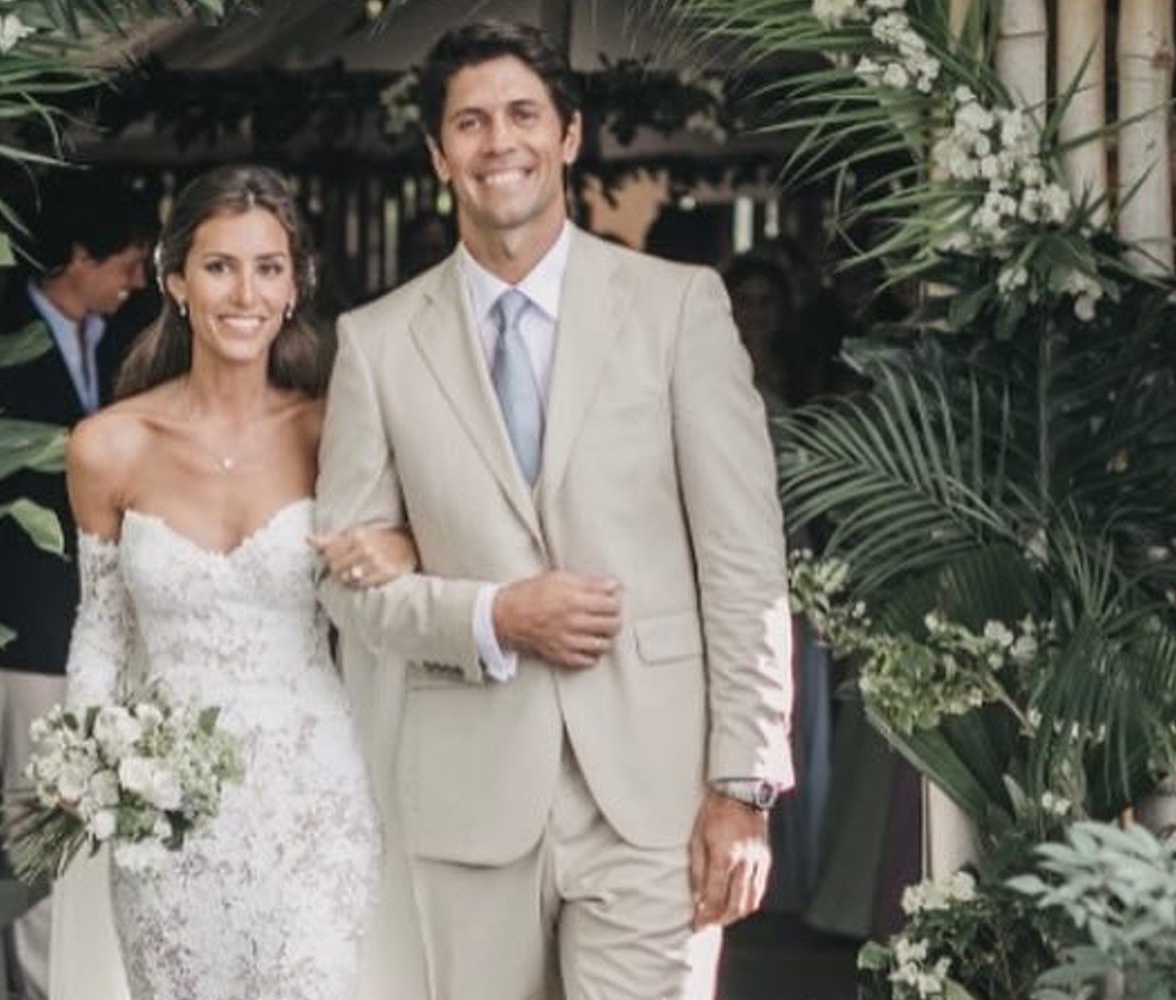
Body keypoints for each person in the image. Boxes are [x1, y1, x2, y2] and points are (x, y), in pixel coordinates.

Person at [312, 20, 797, 999]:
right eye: (472, 121)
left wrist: (741, 787)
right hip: (468, 799)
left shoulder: (678, 306)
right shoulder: (375, 343)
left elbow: (743, 561)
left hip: (655, 795)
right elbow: (347, 584)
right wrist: (493, 614)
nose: (500, 143)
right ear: (437, 153)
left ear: (567, 136)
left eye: (523, 115)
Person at [57, 164, 415, 999]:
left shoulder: (337, 430)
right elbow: (103, 628)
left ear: (295, 286)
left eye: (268, 267)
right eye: (219, 267)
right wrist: (86, 764)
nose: (244, 293)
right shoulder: (108, 446)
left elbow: (414, 544)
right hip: (166, 808)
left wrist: (400, 547)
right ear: (175, 279)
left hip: (313, 798)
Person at [0, 176, 157, 1000]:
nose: (135, 282)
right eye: (127, 265)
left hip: (92, 621)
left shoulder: (116, 340)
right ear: (77, 258)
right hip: (17, 618)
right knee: (38, 810)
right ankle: (41, 985)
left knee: (83, 807)